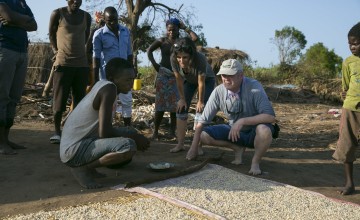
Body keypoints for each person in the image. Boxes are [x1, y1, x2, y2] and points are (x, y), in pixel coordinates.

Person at [60, 57, 150, 189]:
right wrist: (136, 138)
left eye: (132, 79)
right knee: (128, 146)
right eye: (127, 80)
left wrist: (133, 135)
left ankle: (89, 167)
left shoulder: (104, 85)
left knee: (130, 132)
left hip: (80, 143)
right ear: (113, 78)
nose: (131, 83)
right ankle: (83, 168)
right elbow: (105, 132)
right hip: (73, 151)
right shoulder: (109, 90)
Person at [187, 59, 276, 175]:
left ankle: (255, 162)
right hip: (233, 131)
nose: (226, 78)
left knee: (264, 130)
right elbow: (202, 121)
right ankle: (237, 148)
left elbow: (270, 117)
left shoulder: (254, 87)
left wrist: (242, 121)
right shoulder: (218, 91)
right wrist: (193, 147)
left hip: (253, 133)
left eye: (231, 75)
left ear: (241, 75)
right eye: (224, 75)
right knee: (203, 135)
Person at [147, 18, 198, 140]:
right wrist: (154, 64)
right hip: (163, 75)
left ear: (178, 29)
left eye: (174, 29)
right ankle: (155, 132)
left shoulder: (181, 42)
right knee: (160, 105)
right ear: (166, 29)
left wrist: (185, 27)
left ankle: (172, 132)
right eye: (169, 30)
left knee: (175, 106)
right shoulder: (162, 41)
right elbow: (149, 50)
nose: (171, 32)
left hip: (177, 76)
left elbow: (195, 38)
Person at [48, 0, 92, 144]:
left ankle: (73, 132)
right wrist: (56, 51)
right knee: (59, 101)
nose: (76, 2)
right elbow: (51, 34)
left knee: (79, 101)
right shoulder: (57, 14)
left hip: (81, 65)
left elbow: (85, 37)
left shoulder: (86, 16)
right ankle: (57, 132)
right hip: (63, 63)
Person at [0, 0, 37, 155]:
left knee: (14, 97)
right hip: (5, 50)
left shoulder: (22, 2)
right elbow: (7, 16)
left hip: (22, 52)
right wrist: (22, 20)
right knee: (2, 97)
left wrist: (16, 22)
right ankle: (1, 144)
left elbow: (34, 25)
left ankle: (6, 139)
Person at [170, 37, 215, 153]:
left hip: (206, 81)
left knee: (201, 110)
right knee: (181, 109)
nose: (181, 60)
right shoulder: (173, 59)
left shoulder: (200, 59)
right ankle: (180, 144)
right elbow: (178, 80)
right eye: (179, 57)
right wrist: (182, 99)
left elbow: (201, 83)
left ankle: (198, 145)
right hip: (189, 81)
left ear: (191, 55)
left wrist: (200, 101)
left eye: (184, 57)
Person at [93, 6, 133, 127]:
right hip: (108, 76)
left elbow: (130, 53)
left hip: (124, 75)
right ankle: (106, 128)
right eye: (109, 20)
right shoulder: (99, 35)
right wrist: (95, 81)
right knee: (108, 103)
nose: (113, 22)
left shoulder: (125, 31)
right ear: (104, 20)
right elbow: (96, 58)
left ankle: (127, 128)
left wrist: (132, 72)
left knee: (127, 101)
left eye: (115, 19)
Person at [332, 22, 360, 196]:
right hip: (350, 108)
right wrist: (346, 95)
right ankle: (349, 184)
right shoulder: (348, 62)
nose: (352, 47)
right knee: (347, 145)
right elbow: (346, 87)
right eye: (350, 44)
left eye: (356, 43)